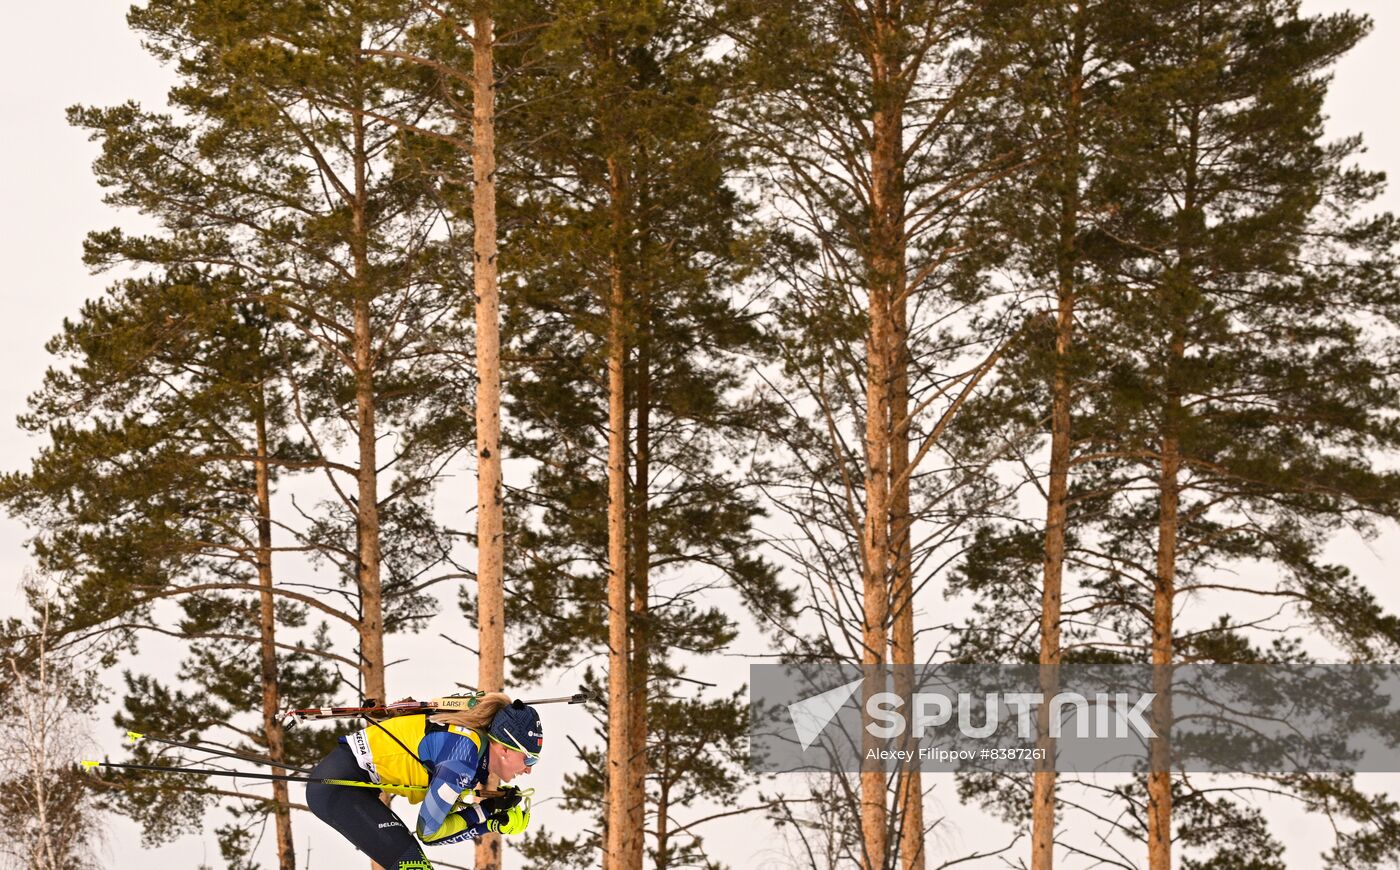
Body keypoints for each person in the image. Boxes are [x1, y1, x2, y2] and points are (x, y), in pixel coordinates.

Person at [306, 692, 542, 870]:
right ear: (504, 749)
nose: (529, 770)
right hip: (338, 787)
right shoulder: (463, 758)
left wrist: (491, 817)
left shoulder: (470, 742)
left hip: (349, 782)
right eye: (529, 760)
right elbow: (429, 832)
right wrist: (487, 814)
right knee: (413, 866)